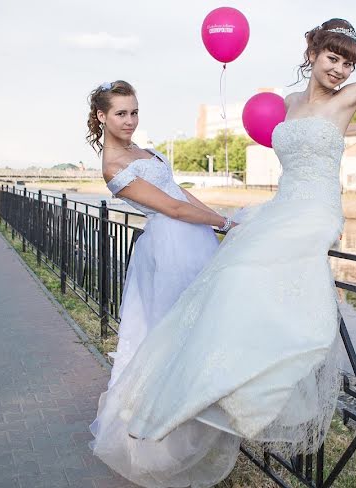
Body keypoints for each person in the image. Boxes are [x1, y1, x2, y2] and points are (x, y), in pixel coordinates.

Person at [90, 0, 356, 487]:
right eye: (333, 57)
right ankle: (213, 390)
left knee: (248, 273)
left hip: (315, 210)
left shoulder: (350, 98)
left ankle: (254, 388)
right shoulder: (289, 102)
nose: (340, 69)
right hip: (281, 206)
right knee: (230, 273)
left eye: (348, 62)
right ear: (313, 54)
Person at [88, 81, 241, 486]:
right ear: (102, 117)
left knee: (198, 331)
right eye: (121, 113)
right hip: (169, 248)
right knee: (167, 338)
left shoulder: (146, 151)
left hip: (194, 239)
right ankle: (157, 440)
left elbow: (181, 193)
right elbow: (171, 207)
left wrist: (221, 220)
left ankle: (204, 415)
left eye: (134, 111)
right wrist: (223, 223)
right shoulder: (113, 167)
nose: (130, 120)